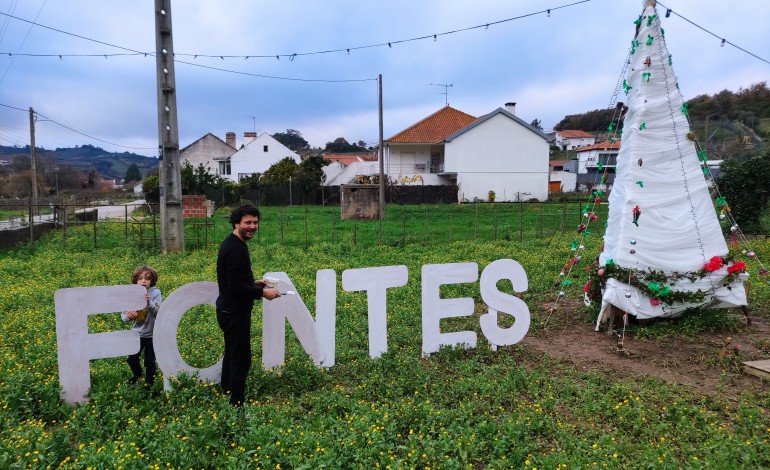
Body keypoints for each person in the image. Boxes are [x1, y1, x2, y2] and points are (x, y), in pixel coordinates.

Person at [216, 204, 280, 406]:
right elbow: (235, 288)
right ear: (236, 223)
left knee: (232, 351)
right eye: (248, 223)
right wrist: (262, 292)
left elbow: (232, 282)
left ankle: (226, 388)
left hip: (228, 308)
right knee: (241, 358)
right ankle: (237, 404)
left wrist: (253, 284)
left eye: (255, 222)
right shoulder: (236, 249)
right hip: (235, 311)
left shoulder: (233, 243)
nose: (252, 226)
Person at [121, 265, 162, 389]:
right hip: (136, 334)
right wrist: (129, 316)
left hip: (152, 334)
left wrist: (148, 303)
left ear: (152, 280)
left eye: (147, 278)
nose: (143, 281)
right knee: (132, 359)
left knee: (150, 361)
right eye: (140, 278)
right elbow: (123, 318)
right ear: (135, 281)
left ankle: (149, 383)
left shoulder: (155, 293)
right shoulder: (130, 295)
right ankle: (138, 376)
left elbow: (158, 314)